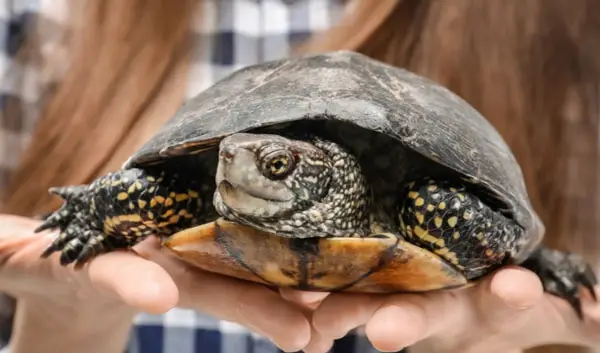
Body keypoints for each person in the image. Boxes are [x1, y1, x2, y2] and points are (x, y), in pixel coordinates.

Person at [1, 1, 600, 353]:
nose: (234, 166)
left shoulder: (553, 28)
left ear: (326, 176)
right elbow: (139, 195)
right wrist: (65, 322)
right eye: (232, 157)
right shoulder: (47, 21)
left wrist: (518, 263)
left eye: (275, 164)